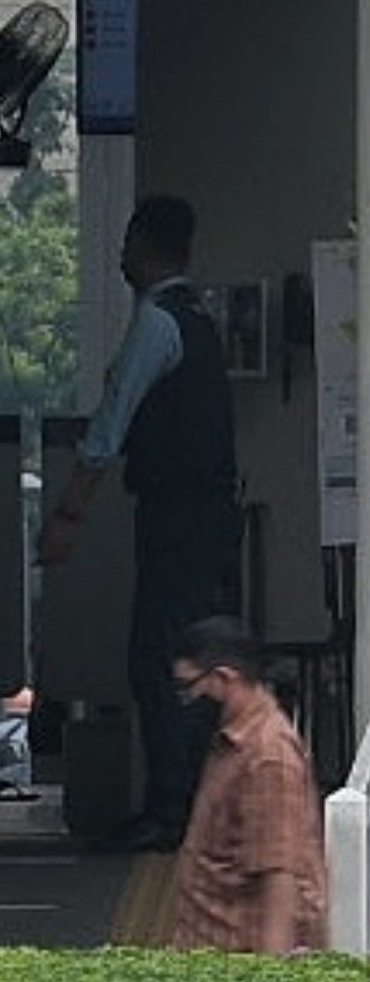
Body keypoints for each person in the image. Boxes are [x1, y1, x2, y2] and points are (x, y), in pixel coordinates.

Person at [37, 196, 239, 851]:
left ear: (143, 244)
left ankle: (171, 808)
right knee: (192, 656)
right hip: (208, 516)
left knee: (157, 655)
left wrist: (69, 512)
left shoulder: (158, 324)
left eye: (126, 243)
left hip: (175, 516)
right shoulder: (200, 319)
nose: (121, 257)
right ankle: (193, 803)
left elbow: (110, 424)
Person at [165, 616, 328, 955]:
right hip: (215, 951)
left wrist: (268, 979)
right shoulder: (233, 742)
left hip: (239, 958)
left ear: (224, 678)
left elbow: (279, 874)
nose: (184, 701)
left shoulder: (267, 756)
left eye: (188, 687)